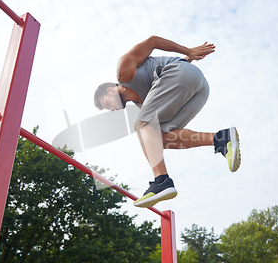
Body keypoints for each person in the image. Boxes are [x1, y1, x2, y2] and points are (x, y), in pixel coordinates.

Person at [94, 35, 240, 208]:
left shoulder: (124, 72)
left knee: (143, 125)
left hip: (181, 72)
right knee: (159, 138)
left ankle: (161, 181)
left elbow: (152, 41)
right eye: (108, 108)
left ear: (110, 90)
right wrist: (187, 61)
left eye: (108, 103)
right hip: (199, 89)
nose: (112, 109)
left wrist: (188, 52)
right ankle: (221, 139)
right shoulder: (143, 105)